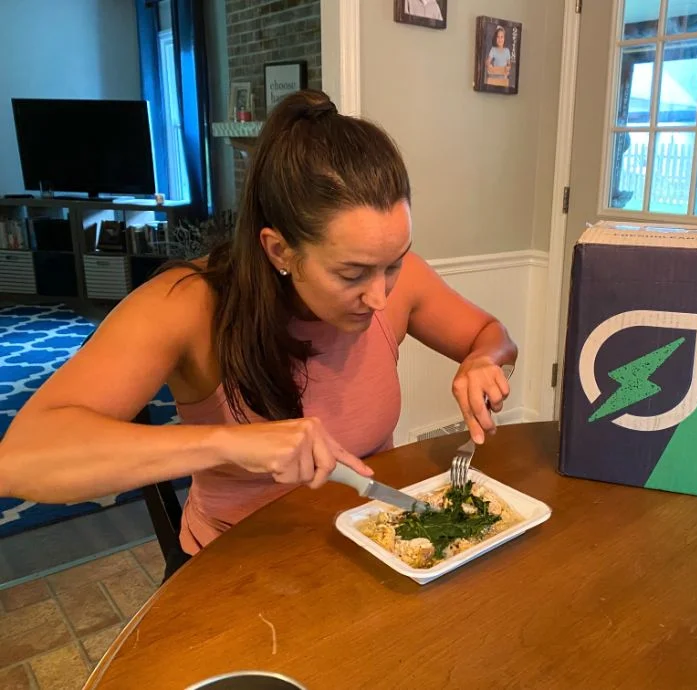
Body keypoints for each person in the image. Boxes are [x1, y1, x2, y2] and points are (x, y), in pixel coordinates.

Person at [0, 90, 517, 580]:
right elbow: (20, 460)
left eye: (394, 264)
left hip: (371, 545)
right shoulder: (184, 304)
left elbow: (493, 336)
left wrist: (483, 360)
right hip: (236, 569)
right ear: (279, 251)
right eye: (351, 274)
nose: (380, 296)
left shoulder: (394, 282)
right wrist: (228, 443)